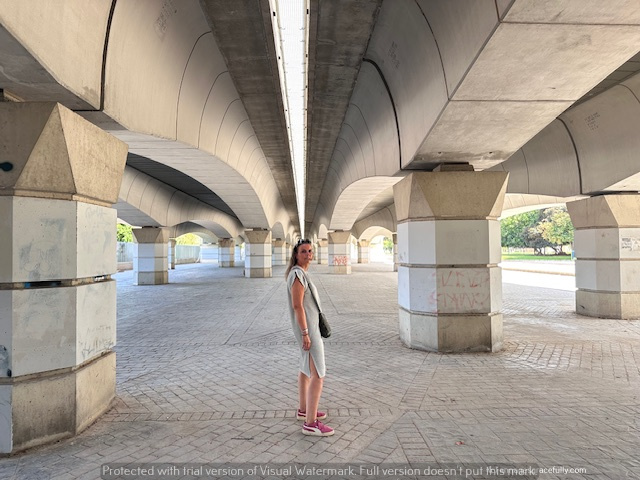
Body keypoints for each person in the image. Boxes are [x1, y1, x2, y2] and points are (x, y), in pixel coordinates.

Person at [285, 239, 334, 437]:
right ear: (296, 255)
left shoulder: (299, 273)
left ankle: (304, 410)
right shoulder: (297, 274)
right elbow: (298, 306)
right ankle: (310, 423)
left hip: (308, 329)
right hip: (309, 330)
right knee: (319, 374)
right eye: (303, 251)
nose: (308, 255)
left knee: (305, 369)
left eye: (310, 251)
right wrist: (305, 333)